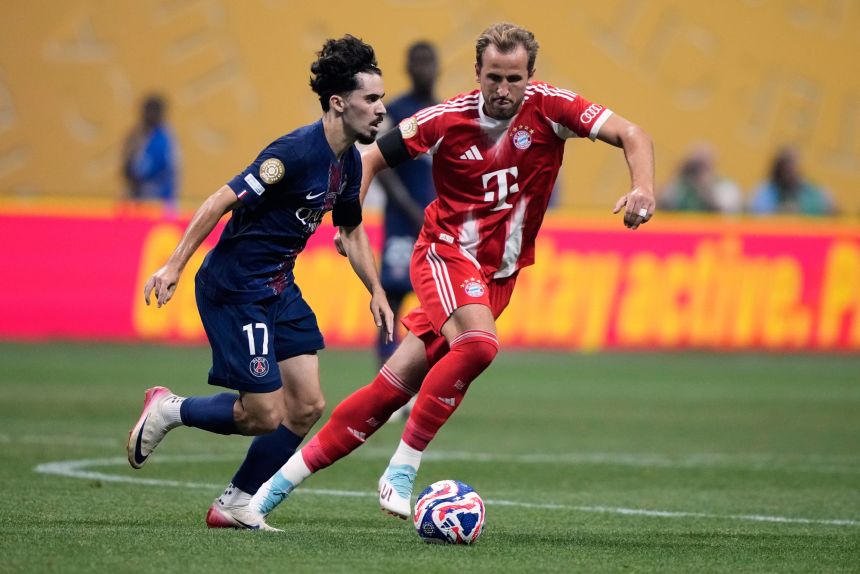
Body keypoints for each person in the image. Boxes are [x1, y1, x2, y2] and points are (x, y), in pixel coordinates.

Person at [244, 22, 655, 529]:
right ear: (477, 74)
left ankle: (263, 494)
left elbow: (633, 133)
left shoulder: (552, 108)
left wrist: (643, 188)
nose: (503, 91)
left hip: (497, 275)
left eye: (514, 79)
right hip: (443, 254)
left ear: (530, 76)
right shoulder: (445, 119)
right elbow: (371, 157)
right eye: (493, 78)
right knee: (480, 345)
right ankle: (402, 467)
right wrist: (348, 219)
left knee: (390, 388)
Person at [125, 35, 393, 531]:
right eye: (371, 99)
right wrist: (174, 265)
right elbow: (219, 201)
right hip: (236, 288)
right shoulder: (292, 152)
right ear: (339, 103)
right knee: (263, 414)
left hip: (278, 287)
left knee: (308, 404)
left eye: (381, 98)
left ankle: (234, 503)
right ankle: (169, 409)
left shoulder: (350, 161)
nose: (381, 109)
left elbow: (351, 230)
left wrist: (375, 290)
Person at [374, 41, 439, 419]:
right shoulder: (395, 112)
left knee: (437, 308)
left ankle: (421, 390)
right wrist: (411, 210)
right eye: (418, 61)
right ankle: (386, 390)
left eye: (429, 60)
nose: (424, 67)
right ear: (408, 66)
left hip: (437, 226)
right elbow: (381, 167)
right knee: (393, 303)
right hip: (403, 225)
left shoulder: (445, 110)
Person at [121, 94, 180, 216]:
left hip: (158, 201)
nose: (148, 115)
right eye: (146, 111)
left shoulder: (164, 138)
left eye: (153, 111)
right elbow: (127, 166)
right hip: (138, 199)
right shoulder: (137, 135)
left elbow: (162, 168)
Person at [749, 147, 834, 215]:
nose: (789, 172)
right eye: (785, 167)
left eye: (792, 166)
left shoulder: (811, 191)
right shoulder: (765, 190)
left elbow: (825, 209)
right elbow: (757, 210)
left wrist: (800, 209)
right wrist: (780, 210)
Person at [659, 143, 742, 213]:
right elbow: (663, 205)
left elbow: (726, 213)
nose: (699, 170)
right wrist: (678, 173)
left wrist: (706, 187)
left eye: (704, 165)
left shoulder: (726, 187)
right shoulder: (682, 186)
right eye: (697, 166)